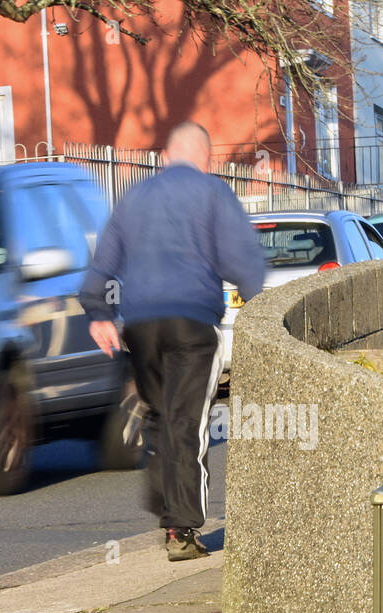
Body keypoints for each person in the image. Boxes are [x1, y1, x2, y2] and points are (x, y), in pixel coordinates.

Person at [81, 122, 266, 561]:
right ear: (206, 159)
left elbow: (101, 266)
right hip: (192, 324)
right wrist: (260, 306)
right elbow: (244, 263)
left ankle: (166, 511)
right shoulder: (213, 192)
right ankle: (180, 529)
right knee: (189, 420)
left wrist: (98, 314)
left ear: (165, 157)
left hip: (140, 327)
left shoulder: (134, 196)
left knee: (159, 416)